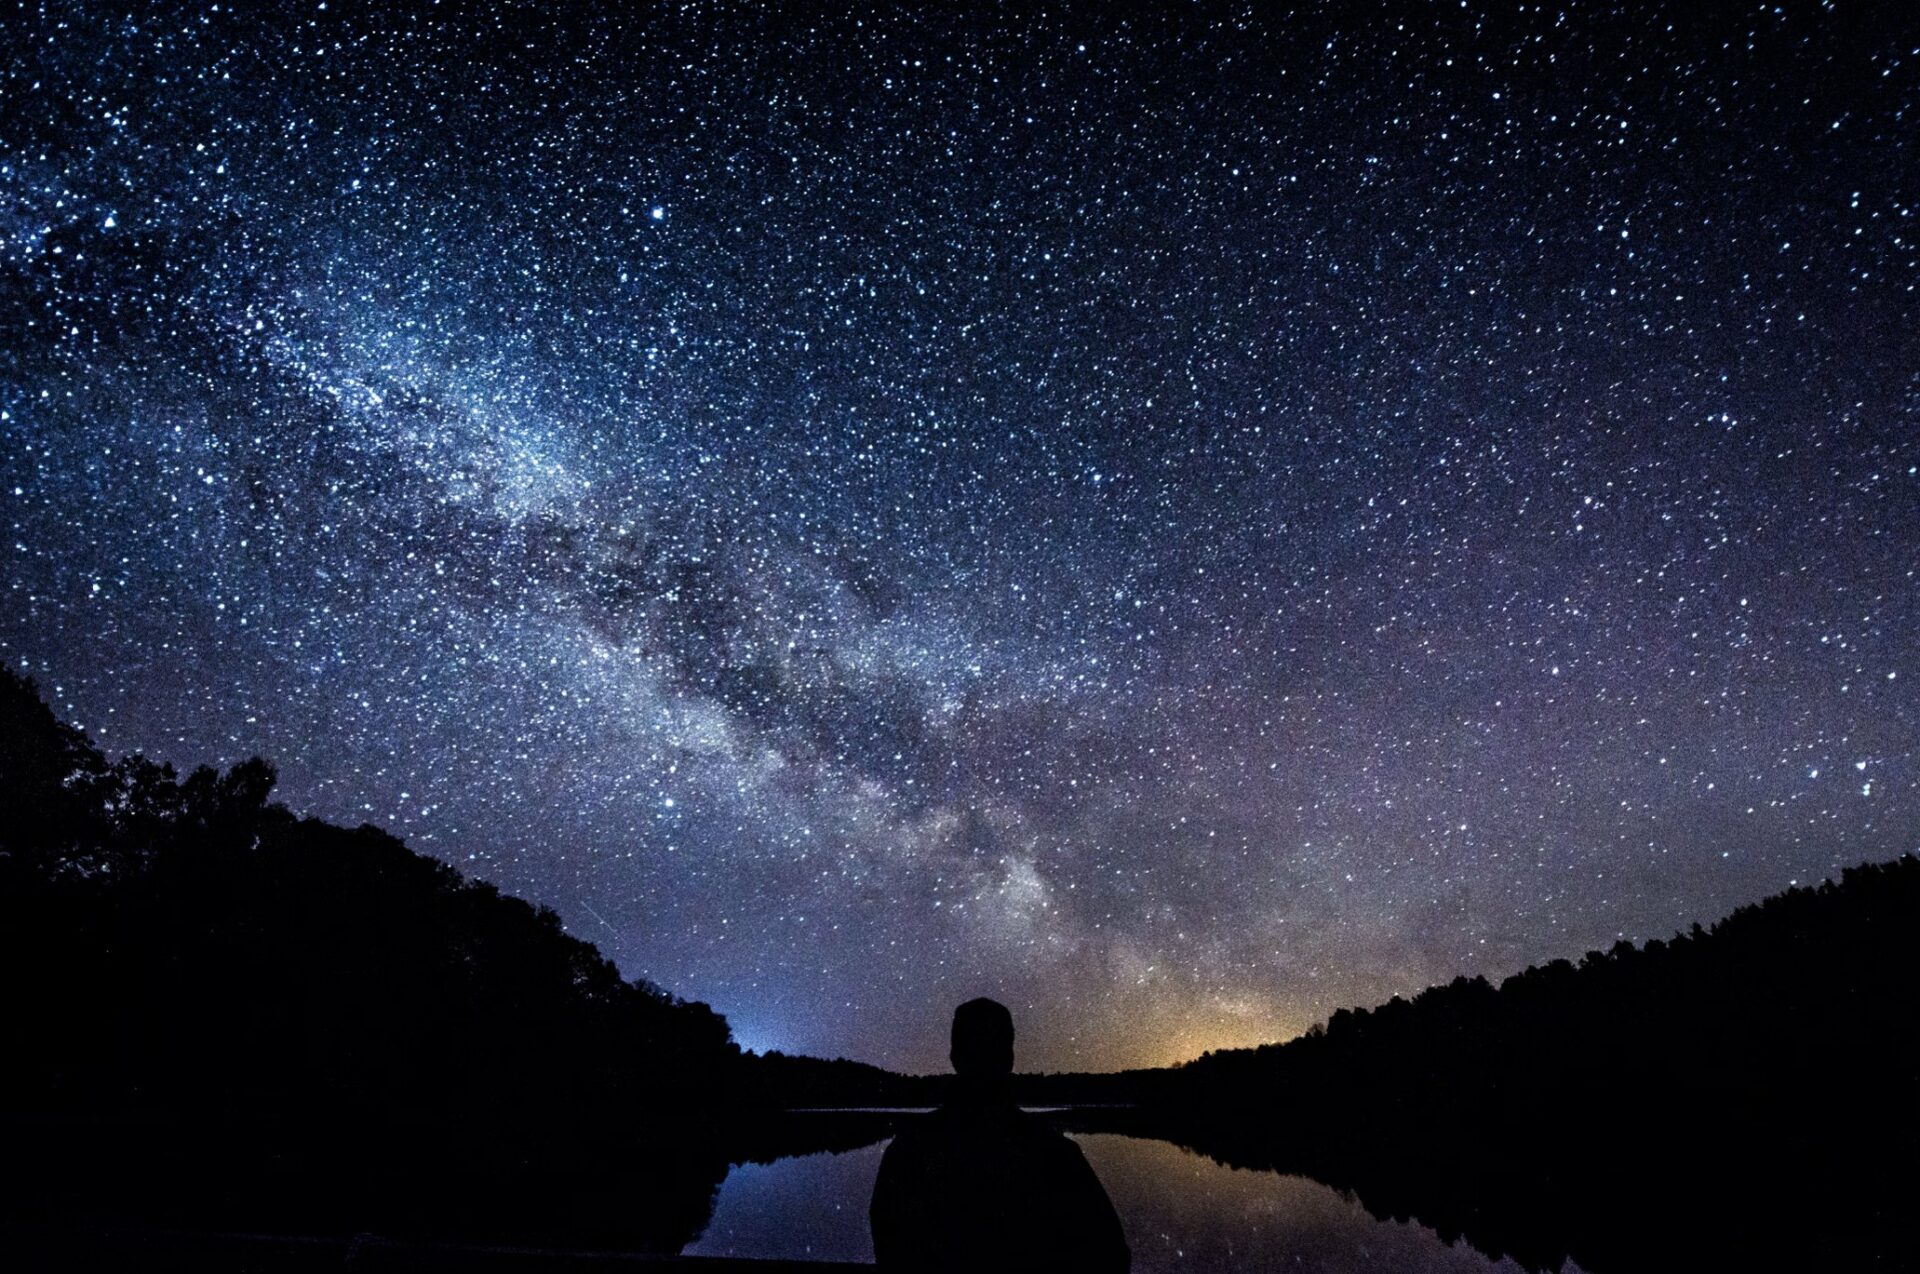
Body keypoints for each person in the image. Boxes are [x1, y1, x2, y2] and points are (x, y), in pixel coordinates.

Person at [869, 998, 1130, 1272]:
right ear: (1009, 1058)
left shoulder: (909, 1151)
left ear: (955, 1056)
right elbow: (1110, 1254)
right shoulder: (1055, 1154)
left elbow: (891, 1248)